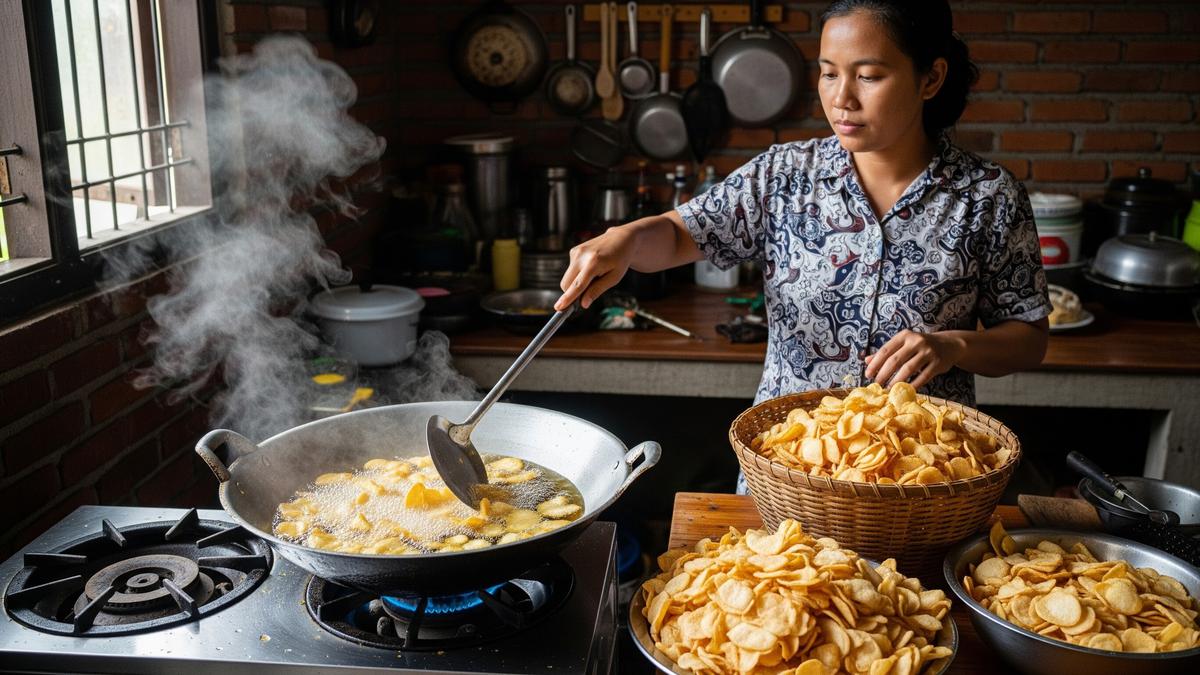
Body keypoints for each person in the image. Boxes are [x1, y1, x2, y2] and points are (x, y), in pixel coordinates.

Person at [556, 0, 1050, 416]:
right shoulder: (786, 174)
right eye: (829, 74)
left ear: (931, 78)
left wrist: (952, 346)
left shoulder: (987, 196)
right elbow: (679, 234)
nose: (842, 99)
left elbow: (1028, 337)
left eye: (869, 76)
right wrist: (625, 238)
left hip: (917, 480)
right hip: (786, 464)